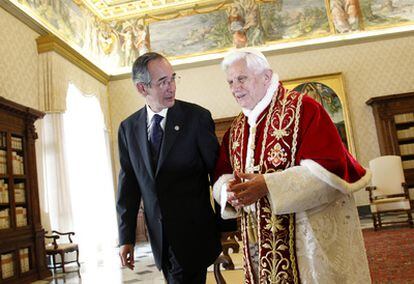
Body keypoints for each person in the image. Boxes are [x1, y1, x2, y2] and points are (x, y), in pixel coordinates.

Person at [213, 48, 371, 283]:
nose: (235, 87)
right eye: (231, 82)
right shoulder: (237, 129)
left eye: (242, 78)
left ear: (266, 76)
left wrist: (268, 185)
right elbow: (222, 175)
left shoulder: (304, 109)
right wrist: (229, 193)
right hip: (259, 243)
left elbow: (330, 170)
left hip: (306, 244)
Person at [117, 52, 224, 283]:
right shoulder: (128, 128)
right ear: (141, 88)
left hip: (194, 236)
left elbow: (218, 173)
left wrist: (225, 227)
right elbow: (129, 185)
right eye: (162, 82)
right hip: (159, 239)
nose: (171, 87)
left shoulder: (196, 118)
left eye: (173, 78)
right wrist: (126, 238)